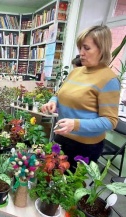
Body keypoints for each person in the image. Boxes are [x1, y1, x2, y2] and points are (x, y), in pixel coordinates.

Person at [41, 25, 120, 171]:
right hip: (61, 137)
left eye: (87, 48)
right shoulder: (75, 72)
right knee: (50, 180)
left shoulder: (109, 80)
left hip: (85, 147)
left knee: (70, 189)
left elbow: (111, 121)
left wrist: (76, 125)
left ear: (102, 49)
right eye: (80, 48)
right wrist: (52, 102)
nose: (81, 53)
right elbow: (59, 94)